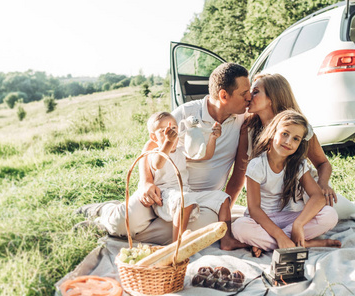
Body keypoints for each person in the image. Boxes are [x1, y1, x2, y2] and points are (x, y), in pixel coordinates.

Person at [76, 62, 252, 248]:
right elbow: (151, 144)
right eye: (243, 93)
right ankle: (106, 212)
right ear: (224, 95)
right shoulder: (186, 113)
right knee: (123, 221)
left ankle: (127, 232)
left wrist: (222, 210)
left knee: (206, 226)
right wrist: (146, 182)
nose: (249, 98)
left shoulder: (242, 121)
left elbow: (239, 172)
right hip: (164, 191)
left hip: (200, 199)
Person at [236, 73, 355, 224]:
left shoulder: (300, 129)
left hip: (301, 194)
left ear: (272, 98)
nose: (249, 96)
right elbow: (241, 172)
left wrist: (323, 184)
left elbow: (323, 163)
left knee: (327, 206)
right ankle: (348, 206)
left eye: (255, 92)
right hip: (268, 199)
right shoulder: (248, 129)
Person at [232, 110, 341, 257]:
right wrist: (280, 236)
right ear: (272, 132)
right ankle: (302, 243)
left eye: (296, 139)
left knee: (330, 215)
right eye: (285, 134)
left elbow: (318, 197)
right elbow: (254, 209)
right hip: (263, 220)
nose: (289, 142)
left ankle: (269, 244)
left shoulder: (299, 164)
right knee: (239, 227)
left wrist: (299, 224)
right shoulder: (257, 165)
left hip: (290, 217)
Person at [145, 111, 229, 241]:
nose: (170, 133)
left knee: (222, 198)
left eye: (173, 128)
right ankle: (177, 244)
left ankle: (227, 240)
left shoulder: (180, 151)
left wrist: (213, 138)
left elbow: (205, 155)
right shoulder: (154, 153)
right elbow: (158, 164)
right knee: (185, 199)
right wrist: (168, 142)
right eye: (163, 131)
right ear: (154, 137)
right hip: (165, 196)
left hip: (186, 193)